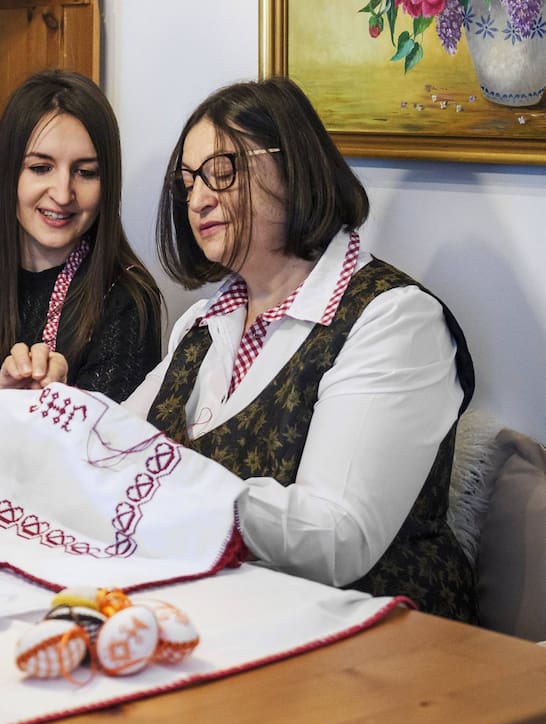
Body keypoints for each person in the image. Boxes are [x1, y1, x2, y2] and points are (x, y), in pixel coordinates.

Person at [123, 77, 476, 622]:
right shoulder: (201, 323)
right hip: (231, 618)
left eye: (222, 170)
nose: (197, 198)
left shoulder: (393, 319)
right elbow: (114, 447)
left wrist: (166, 485)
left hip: (383, 641)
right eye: (188, 180)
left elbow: (338, 540)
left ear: (293, 168)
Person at [0, 70, 164, 402]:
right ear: (8, 173)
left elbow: (109, 446)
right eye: (41, 168)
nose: (63, 194)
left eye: (86, 172)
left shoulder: (127, 301)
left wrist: (43, 406)